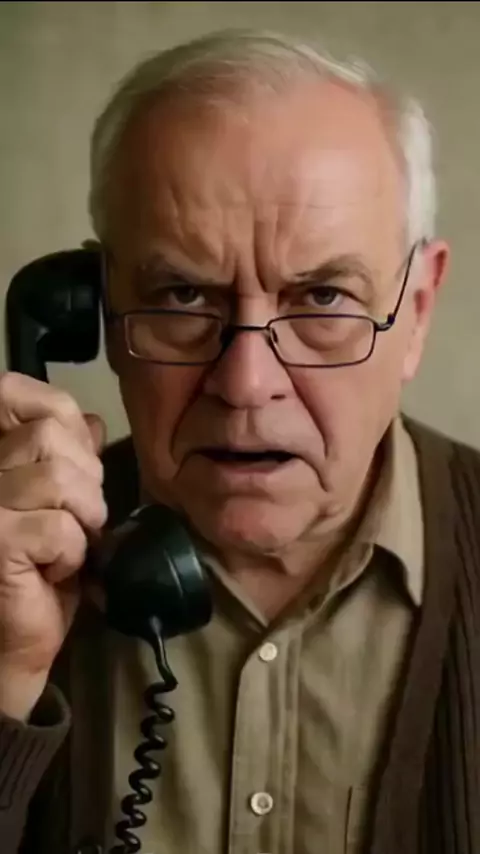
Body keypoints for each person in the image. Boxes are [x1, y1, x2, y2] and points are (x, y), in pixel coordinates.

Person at [0, 26, 479, 854]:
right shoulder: (13, 571)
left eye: (323, 299)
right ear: (95, 310)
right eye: (183, 296)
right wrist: (5, 680)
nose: (247, 381)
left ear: (417, 313)